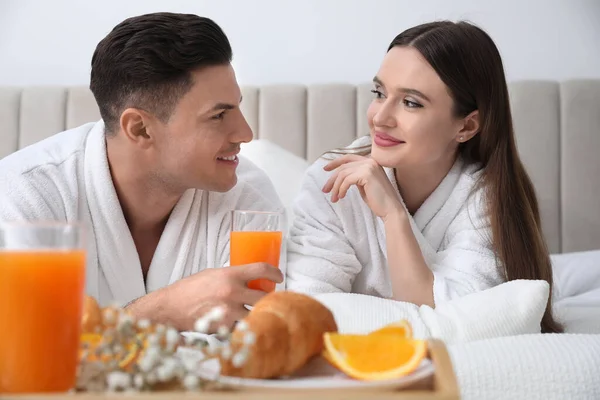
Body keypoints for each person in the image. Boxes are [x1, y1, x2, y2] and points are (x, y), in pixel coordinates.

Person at [0, 12, 284, 332]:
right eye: (219, 116)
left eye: (237, 107)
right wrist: (160, 311)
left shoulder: (248, 197)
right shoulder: (24, 197)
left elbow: (257, 340)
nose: (245, 133)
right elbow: (20, 345)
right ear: (140, 129)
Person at [285, 20, 561, 333]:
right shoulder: (332, 180)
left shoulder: (485, 197)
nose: (380, 117)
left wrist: (393, 216)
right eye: (379, 93)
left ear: (466, 126)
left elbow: (459, 322)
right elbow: (307, 307)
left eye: (411, 102)